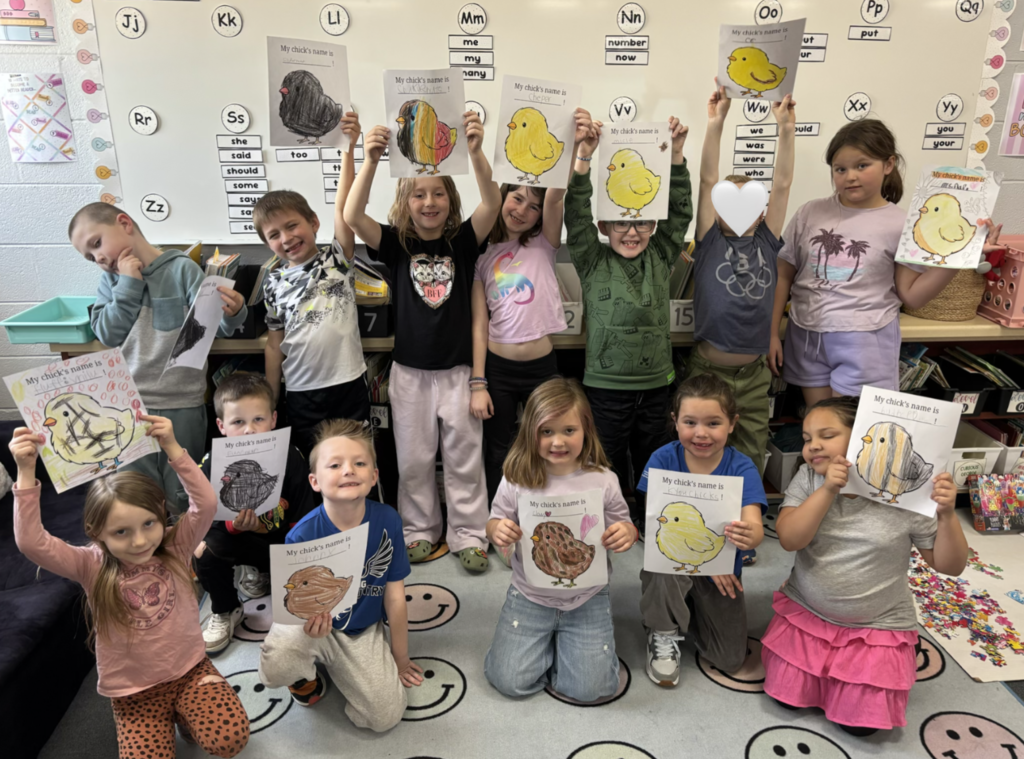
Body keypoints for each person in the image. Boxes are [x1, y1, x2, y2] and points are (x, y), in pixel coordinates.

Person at [10, 417, 250, 758]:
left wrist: (172, 446)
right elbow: (33, 543)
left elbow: (206, 505)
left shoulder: (174, 545)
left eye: (149, 524)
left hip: (190, 671)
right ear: (97, 533)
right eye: (121, 532)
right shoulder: (89, 564)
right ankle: (169, 716)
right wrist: (25, 471)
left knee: (229, 739)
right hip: (134, 693)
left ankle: (185, 714)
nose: (140, 542)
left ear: (161, 514)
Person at [344, 111, 502, 571]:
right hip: (409, 375)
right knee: (413, 462)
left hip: (457, 375)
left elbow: (490, 204)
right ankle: (418, 531)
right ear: (406, 201)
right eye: (419, 194)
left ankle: (469, 534)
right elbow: (352, 215)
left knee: (464, 459)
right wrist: (370, 160)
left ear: (450, 201)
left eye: (437, 194)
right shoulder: (395, 244)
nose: (429, 202)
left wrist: (474, 152)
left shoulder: (462, 243)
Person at [762, 396, 967, 735]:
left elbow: (950, 566)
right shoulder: (808, 478)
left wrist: (947, 515)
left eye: (826, 435)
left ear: (863, 434)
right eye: (807, 438)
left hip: (877, 623)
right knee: (786, 699)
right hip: (810, 613)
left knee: (859, 726)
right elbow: (789, 539)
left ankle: (899, 649)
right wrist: (829, 488)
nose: (813, 446)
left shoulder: (907, 497)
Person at [768, 119, 968, 406]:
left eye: (862, 165)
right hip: (808, 335)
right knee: (819, 427)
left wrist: (959, 257)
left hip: (864, 342)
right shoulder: (810, 212)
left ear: (889, 164)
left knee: (851, 435)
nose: (850, 176)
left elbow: (911, 294)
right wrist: (772, 333)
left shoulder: (902, 223)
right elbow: (782, 275)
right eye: (840, 169)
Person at [69, 205, 247, 512]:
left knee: (183, 490)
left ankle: (183, 554)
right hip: (126, 407)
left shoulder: (182, 269)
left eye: (96, 244)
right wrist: (128, 284)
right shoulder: (110, 283)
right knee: (135, 494)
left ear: (124, 223)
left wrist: (235, 311)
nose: (97, 258)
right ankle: (143, 557)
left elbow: (216, 327)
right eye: (88, 257)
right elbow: (108, 334)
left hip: (182, 404)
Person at [567, 109, 692, 536]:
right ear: (605, 224)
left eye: (640, 221)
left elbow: (680, 214)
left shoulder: (661, 254)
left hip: (657, 385)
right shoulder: (590, 258)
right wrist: (584, 158)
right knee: (607, 461)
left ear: (652, 222)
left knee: (654, 458)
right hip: (605, 388)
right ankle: (613, 521)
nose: (632, 231)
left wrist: (676, 156)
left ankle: (652, 521)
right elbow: (575, 214)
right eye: (621, 222)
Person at [258, 419, 422, 731]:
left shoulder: (388, 520)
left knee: (384, 717)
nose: (348, 470)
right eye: (335, 465)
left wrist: (400, 659)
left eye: (359, 463)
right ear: (314, 481)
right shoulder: (302, 534)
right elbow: (291, 604)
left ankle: (341, 667)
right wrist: (305, 632)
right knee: (275, 666)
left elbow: (396, 597)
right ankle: (305, 676)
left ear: (374, 476)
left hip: (359, 630)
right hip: (310, 624)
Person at [471, 109, 593, 530]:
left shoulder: (543, 243)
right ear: (503, 197)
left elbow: (557, 196)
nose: (522, 209)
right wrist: (479, 380)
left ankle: (546, 515)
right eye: (517, 198)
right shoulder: (481, 254)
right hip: (499, 370)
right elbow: (478, 323)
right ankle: (500, 522)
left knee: (548, 445)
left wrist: (576, 149)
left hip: (542, 368)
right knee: (499, 448)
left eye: (532, 205)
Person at [484, 377, 635, 701]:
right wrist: (497, 530)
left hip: (588, 596)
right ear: (531, 434)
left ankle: (564, 646)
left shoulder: (603, 480)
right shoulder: (517, 477)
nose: (558, 442)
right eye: (546, 431)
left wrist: (627, 533)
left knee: (592, 690)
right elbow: (495, 520)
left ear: (586, 430)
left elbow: (624, 524)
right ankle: (547, 645)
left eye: (569, 430)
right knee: (509, 682)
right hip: (529, 594)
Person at [689, 84, 795, 477]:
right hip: (708, 371)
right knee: (702, 449)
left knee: (750, 451)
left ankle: (744, 515)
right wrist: (716, 123)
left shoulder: (767, 240)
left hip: (753, 375)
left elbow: (782, 184)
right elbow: (706, 179)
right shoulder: (709, 240)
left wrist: (785, 130)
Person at [636, 373, 766, 688]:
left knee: (729, 659)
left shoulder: (742, 467)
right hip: (672, 565)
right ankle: (663, 630)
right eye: (690, 422)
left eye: (713, 423)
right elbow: (654, 523)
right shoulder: (663, 459)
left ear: (732, 423)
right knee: (664, 566)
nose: (701, 434)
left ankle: (688, 607)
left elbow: (755, 526)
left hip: (719, 573)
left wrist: (749, 535)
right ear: (675, 421)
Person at [256, 112, 369, 458]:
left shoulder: (336, 260)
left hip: (348, 384)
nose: (287, 238)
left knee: (356, 464)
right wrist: (272, 402)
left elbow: (345, 205)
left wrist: (349, 149)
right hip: (302, 392)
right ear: (267, 243)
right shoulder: (272, 282)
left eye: (292, 226)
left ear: (313, 222)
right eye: (274, 235)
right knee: (314, 473)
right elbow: (275, 346)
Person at [196, 371, 318, 653]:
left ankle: (269, 574)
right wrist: (234, 527)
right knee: (204, 549)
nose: (249, 430)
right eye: (238, 422)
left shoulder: (291, 456)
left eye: (258, 419)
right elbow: (202, 523)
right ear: (221, 426)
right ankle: (227, 609)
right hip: (238, 542)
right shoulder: (212, 463)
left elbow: (303, 517)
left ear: (274, 419)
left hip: (283, 545)